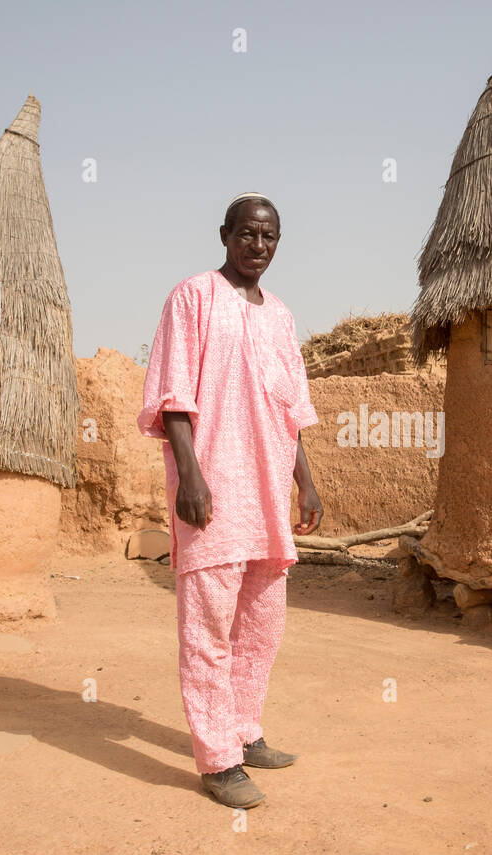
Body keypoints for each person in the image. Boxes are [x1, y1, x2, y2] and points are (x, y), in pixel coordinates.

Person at [137, 192, 323, 809]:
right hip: (212, 493)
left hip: (267, 495)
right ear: (224, 234)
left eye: (270, 236)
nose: (259, 246)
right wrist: (190, 476)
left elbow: (289, 409)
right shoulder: (192, 297)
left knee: (262, 624)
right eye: (248, 234)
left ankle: (244, 731)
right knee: (209, 628)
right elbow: (172, 396)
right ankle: (217, 761)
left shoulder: (281, 316)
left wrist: (305, 480)